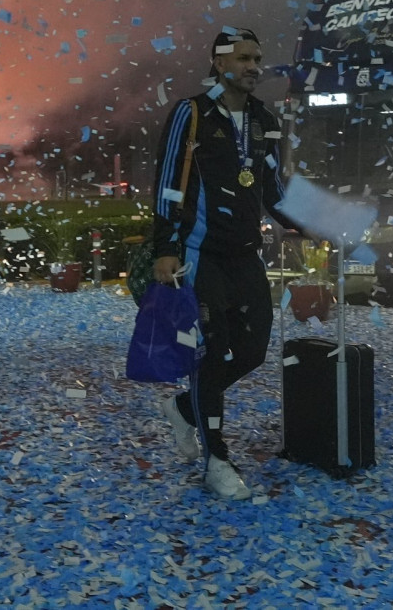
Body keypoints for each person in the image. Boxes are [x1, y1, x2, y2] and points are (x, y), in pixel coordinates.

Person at [150, 26, 300, 500]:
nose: (254, 67)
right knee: (212, 354)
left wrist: (317, 221)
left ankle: (185, 408)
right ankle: (217, 459)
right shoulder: (191, 113)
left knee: (253, 351)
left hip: (244, 256)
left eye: (258, 58)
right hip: (199, 256)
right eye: (244, 59)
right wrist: (165, 248)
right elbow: (169, 182)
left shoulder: (265, 120)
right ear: (218, 63)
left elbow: (274, 192)